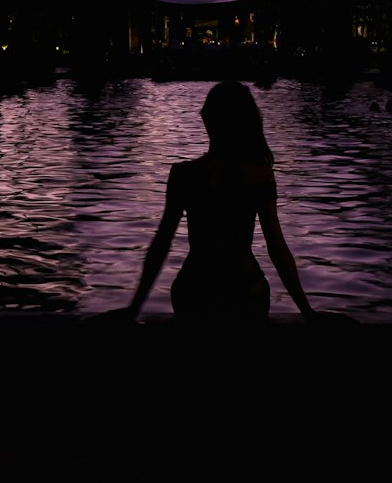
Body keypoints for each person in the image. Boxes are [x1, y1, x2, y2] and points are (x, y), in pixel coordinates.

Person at [108, 80, 322, 325]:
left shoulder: (183, 175)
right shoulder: (259, 175)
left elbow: (161, 244)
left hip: (194, 292)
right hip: (245, 291)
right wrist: (307, 312)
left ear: (206, 119)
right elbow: (276, 246)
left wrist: (134, 308)